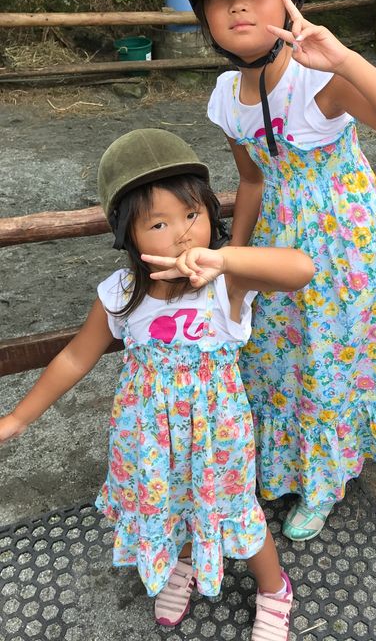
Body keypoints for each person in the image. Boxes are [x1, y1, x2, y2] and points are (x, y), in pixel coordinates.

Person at [184, 0, 376, 541]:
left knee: (330, 354)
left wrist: (347, 60)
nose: (237, 8)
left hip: (341, 243)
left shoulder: (319, 79)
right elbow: (250, 180)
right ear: (205, 18)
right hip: (274, 238)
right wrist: (231, 261)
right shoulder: (225, 95)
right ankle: (285, 463)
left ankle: (325, 481)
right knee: (279, 356)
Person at [0, 128, 315, 637]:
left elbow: (300, 268)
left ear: (210, 212)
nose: (184, 234)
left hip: (218, 436)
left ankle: (274, 588)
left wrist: (226, 256)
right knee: (173, 506)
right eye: (159, 223)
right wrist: (15, 418)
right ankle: (183, 564)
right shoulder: (122, 293)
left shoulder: (227, 282)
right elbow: (75, 359)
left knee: (235, 508)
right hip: (149, 439)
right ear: (129, 235)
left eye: (192, 215)